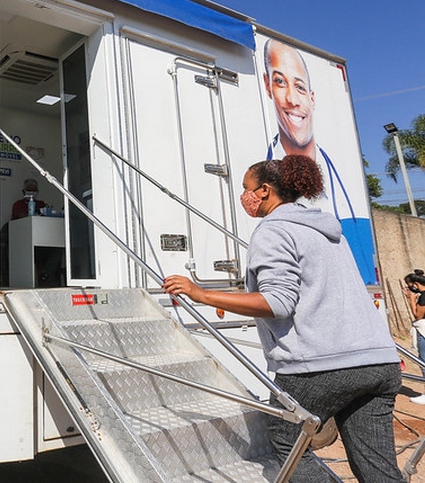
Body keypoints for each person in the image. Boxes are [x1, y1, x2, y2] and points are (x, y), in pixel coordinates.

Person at [163, 155, 402, 482]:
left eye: (246, 188)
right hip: (378, 360)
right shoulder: (329, 231)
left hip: (320, 366)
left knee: (284, 438)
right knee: (378, 470)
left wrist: (201, 293)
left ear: (263, 190)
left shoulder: (272, 231)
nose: (243, 196)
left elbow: (278, 302)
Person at [263, 38, 377, 286]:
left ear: (312, 97)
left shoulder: (347, 199)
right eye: (280, 82)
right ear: (267, 87)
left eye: (300, 87)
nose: (292, 99)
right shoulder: (265, 176)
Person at [405, 269, 425, 404]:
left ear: (416, 284)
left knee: (423, 361)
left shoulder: (423, 297)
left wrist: (411, 299)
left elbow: (418, 315)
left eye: (410, 285)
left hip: (423, 330)